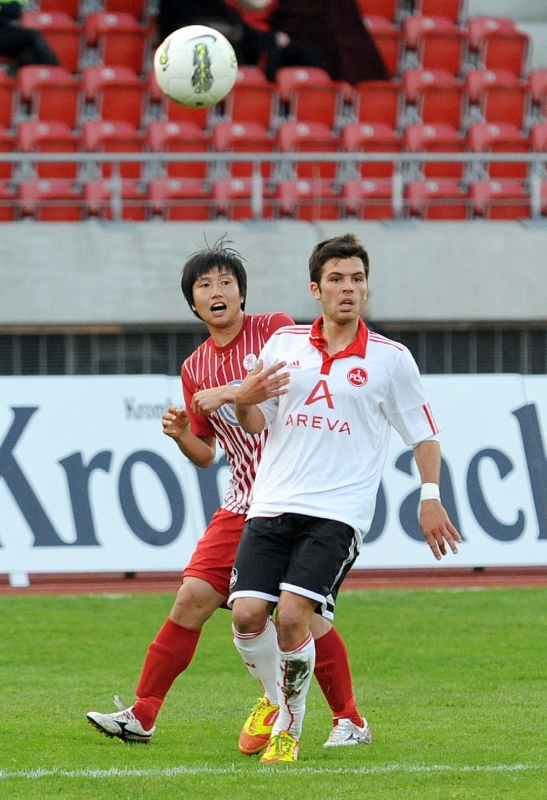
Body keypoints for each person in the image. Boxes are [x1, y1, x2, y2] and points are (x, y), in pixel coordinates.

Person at [87, 238, 371, 753]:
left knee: (300, 618)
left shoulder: (276, 330)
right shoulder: (194, 367)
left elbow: (284, 384)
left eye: (226, 282)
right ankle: (144, 714)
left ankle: (347, 718)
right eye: (205, 285)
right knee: (191, 599)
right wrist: (181, 435)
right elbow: (206, 454)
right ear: (193, 303)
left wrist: (226, 392)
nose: (217, 291)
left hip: (297, 497)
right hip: (243, 500)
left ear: (242, 293)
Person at [229, 232, 462, 763]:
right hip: (272, 502)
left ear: (366, 288)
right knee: (245, 616)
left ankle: (288, 731)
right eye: (336, 279)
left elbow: (424, 435)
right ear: (316, 289)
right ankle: (274, 699)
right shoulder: (283, 344)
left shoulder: (391, 359)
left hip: (337, 513)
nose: (348, 288)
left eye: (357, 279)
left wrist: (430, 496)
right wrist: (243, 401)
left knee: (293, 617)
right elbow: (256, 421)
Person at [0, 0, 60, 76]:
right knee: (33, 35)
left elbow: (14, 10)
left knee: (28, 54)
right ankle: (56, 68)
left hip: (5, 33)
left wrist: (3, 7)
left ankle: (30, 78)